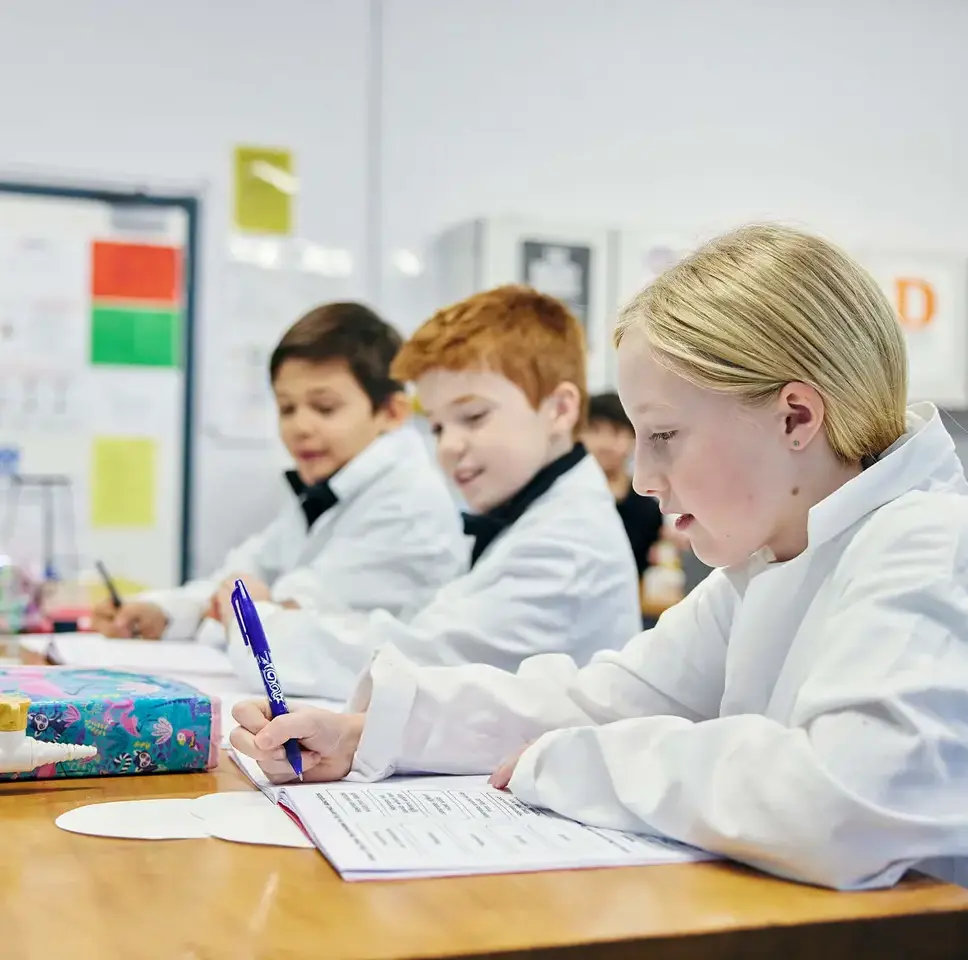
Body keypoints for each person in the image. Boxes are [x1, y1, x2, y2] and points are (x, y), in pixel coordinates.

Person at [230, 224, 968, 890]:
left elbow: (847, 801)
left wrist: (574, 765)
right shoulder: (768, 562)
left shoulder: (926, 540)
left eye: (666, 435)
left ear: (797, 417)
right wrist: (372, 734)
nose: (642, 478)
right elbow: (601, 701)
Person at [222, 285, 641, 698]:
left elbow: (416, 664)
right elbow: (419, 631)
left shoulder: (565, 547)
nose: (448, 446)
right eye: (438, 427)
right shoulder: (528, 519)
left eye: (473, 417)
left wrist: (259, 626)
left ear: (560, 410)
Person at [92, 302, 465, 643]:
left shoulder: (407, 506)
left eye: (324, 407)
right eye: (287, 408)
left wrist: (238, 608)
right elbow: (244, 573)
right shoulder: (326, 490)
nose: (299, 426)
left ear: (392, 413)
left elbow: (282, 620)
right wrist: (162, 612)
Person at [583, 391, 663, 575]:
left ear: (634, 438)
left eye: (616, 432)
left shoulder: (648, 510)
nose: (604, 443)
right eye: (594, 430)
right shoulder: (565, 500)